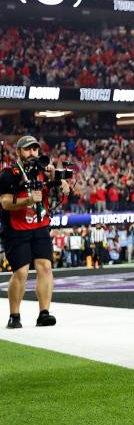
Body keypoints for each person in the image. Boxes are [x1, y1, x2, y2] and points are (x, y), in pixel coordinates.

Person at [1, 136, 69, 329]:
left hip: (40, 226)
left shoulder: (46, 171)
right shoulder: (9, 173)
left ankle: (44, 313)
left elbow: (66, 189)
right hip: (16, 228)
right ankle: (14, 316)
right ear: (18, 152)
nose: (32, 153)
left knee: (45, 268)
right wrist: (27, 201)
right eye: (28, 149)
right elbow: (5, 202)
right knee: (21, 272)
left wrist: (61, 183)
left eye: (35, 149)